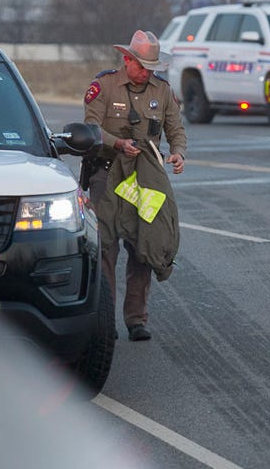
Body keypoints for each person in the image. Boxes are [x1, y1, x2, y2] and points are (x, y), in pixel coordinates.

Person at [82, 29, 187, 341]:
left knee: (144, 246)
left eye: (151, 67)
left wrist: (179, 152)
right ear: (126, 59)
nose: (146, 72)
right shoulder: (103, 86)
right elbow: (91, 128)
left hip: (145, 178)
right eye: (141, 65)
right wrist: (117, 144)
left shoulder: (163, 91)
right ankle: (105, 321)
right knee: (106, 249)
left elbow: (175, 128)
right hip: (107, 175)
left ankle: (136, 320)